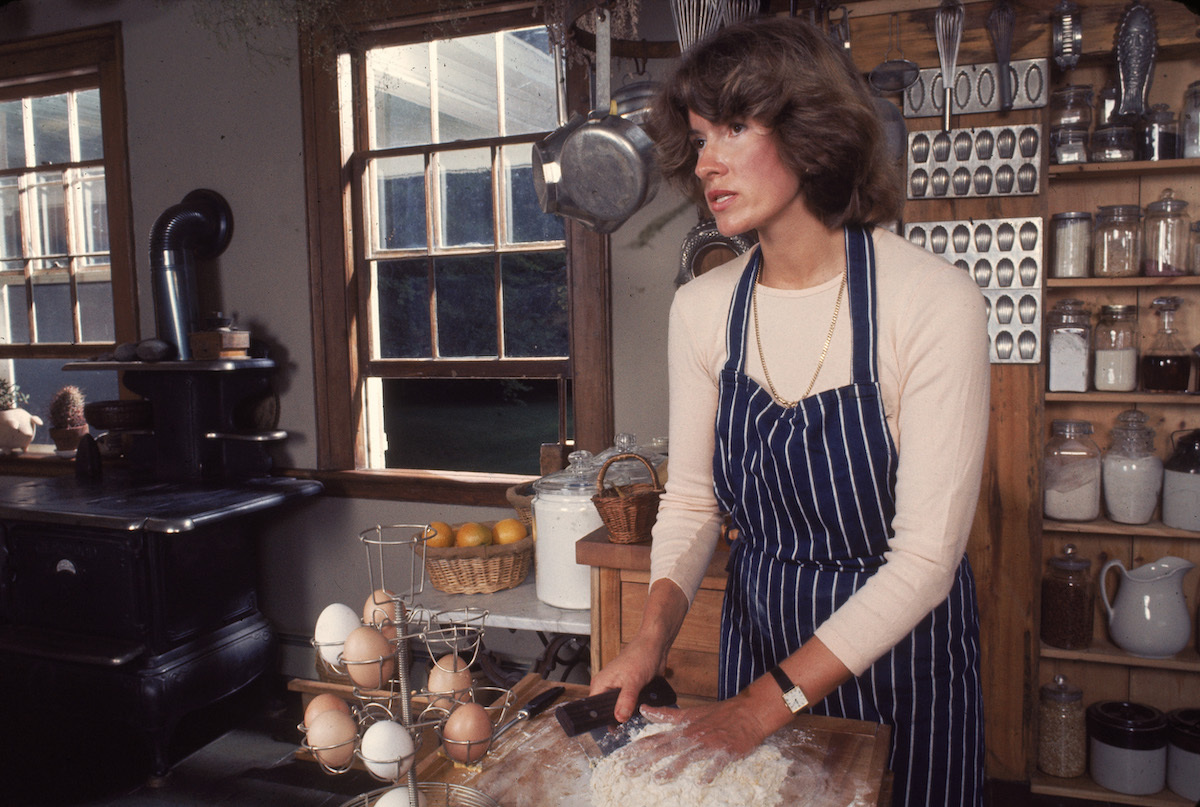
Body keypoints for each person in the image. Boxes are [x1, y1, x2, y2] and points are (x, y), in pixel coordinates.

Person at [587, 15, 989, 807]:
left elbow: (923, 564)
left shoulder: (931, 301)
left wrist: (760, 706)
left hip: (903, 664)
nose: (707, 162)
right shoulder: (703, 309)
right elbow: (695, 500)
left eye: (734, 127)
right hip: (759, 640)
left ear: (810, 130)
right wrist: (647, 641)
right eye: (700, 138)